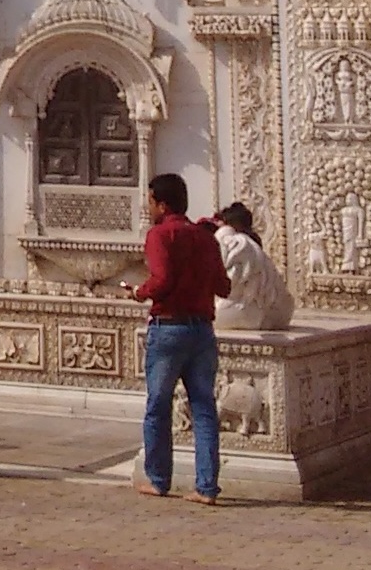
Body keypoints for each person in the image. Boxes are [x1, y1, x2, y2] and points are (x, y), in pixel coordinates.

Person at [123, 171, 232, 504]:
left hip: (169, 328)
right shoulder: (205, 238)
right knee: (203, 408)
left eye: (151, 201)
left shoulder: (161, 235)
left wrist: (139, 292)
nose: (149, 207)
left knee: (158, 405)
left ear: (162, 203)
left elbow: (162, 279)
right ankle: (206, 486)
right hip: (201, 329)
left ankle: (158, 479)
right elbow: (223, 286)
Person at [213, 201, 293, 331]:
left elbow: (227, 285)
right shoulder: (254, 246)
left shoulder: (231, 241)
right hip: (278, 313)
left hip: (247, 311)